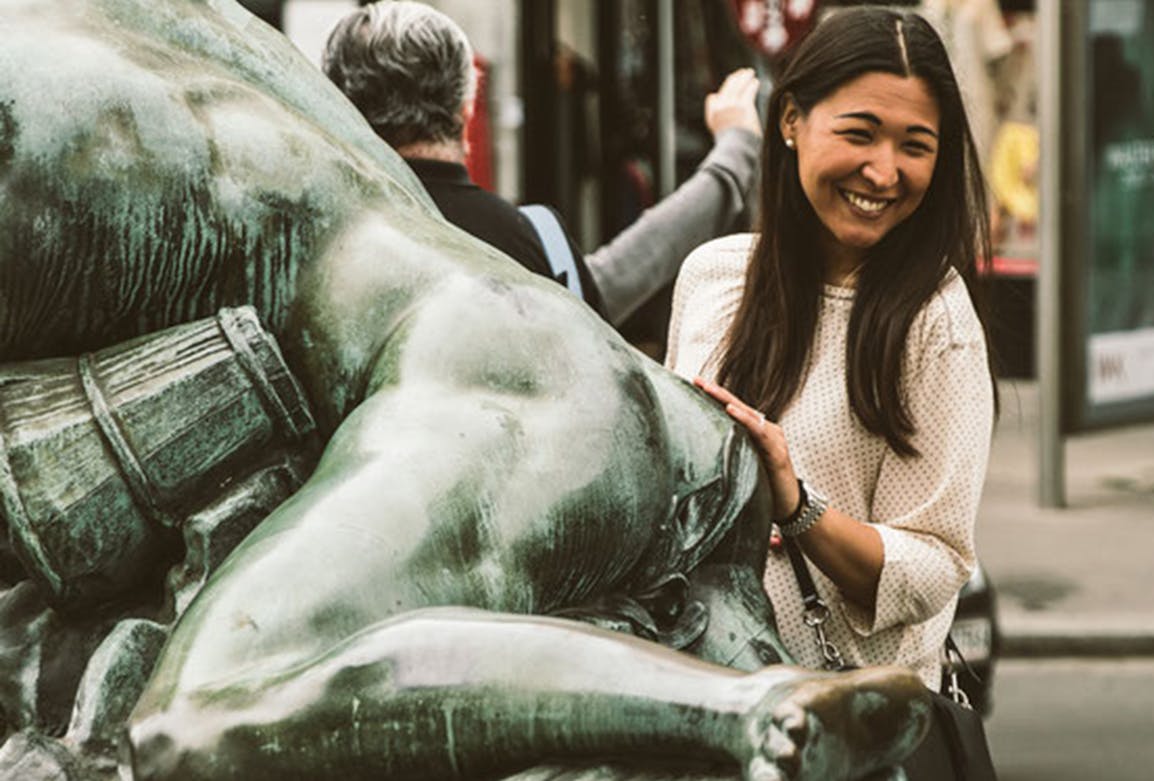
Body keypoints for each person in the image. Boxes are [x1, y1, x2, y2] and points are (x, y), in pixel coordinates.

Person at [0, 2, 930, 778]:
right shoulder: (146, 35)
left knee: (200, 719)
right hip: (568, 388)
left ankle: (752, 712)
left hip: (496, 387)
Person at [666, 6, 997, 694]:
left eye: (916, 145)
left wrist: (798, 505)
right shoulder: (712, 276)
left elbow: (936, 565)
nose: (883, 171)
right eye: (860, 133)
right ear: (790, 121)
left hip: (846, 731)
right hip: (702, 711)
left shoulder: (936, 320)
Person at [321, 0, 762, 327]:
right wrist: (736, 147)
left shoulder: (313, 248)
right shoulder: (536, 244)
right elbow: (624, 274)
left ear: (337, 106)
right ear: (466, 107)